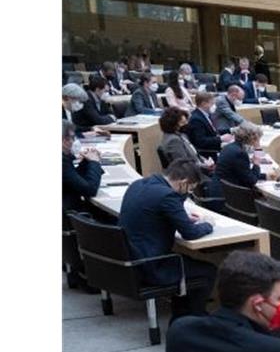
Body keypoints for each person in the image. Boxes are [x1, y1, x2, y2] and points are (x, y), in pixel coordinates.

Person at [118, 157, 216, 319]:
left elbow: (155, 213)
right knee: (208, 270)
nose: (188, 193)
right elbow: (190, 233)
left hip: (131, 258)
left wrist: (179, 216)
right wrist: (208, 224)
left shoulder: (139, 184)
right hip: (151, 266)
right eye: (190, 189)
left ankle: (182, 313)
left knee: (188, 263)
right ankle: (195, 316)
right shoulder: (167, 196)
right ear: (183, 182)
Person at [212, 122, 280, 198]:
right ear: (251, 138)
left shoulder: (231, 147)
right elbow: (252, 181)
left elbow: (244, 174)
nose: (257, 142)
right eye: (257, 140)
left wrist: (266, 176)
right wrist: (256, 163)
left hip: (221, 192)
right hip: (226, 198)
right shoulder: (239, 153)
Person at [62, 119, 103, 220]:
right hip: (72, 215)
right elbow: (90, 189)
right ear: (64, 140)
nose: (74, 141)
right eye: (72, 137)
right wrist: (94, 162)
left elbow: (72, 178)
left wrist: (86, 161)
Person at [159, 106, 215, 174]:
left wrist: (205, 160)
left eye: (186, 122)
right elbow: (184, 165)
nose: (186, 124)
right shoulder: (173, 141)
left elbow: (195, 154)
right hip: (193, 176)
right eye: (183, 123)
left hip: (200, 167)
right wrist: (204, 166)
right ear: (173, 124)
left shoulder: (181, 135)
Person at [186, 91, 231, 156]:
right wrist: (221, 139)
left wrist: (231, 130)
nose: (214, 106)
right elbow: (201, 141)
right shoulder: (196, 119)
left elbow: (213, 132)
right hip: (208, 153)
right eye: (212, 103)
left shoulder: (207, 115)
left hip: (215, 147)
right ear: (204, 104)